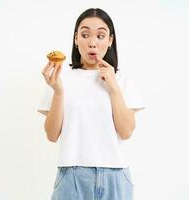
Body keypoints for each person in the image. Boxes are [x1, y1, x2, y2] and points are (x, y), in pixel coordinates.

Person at [38, 8, 145, 200]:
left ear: (110, 41)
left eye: (100, 36)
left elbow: (126, 131)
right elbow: (52, 135)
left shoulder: (120, 78)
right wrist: (59, 91)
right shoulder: (60, 77)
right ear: (76, 39)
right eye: (85, 34)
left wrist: (113, 88)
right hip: (71, 176)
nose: (92, 42)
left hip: (115, 175)